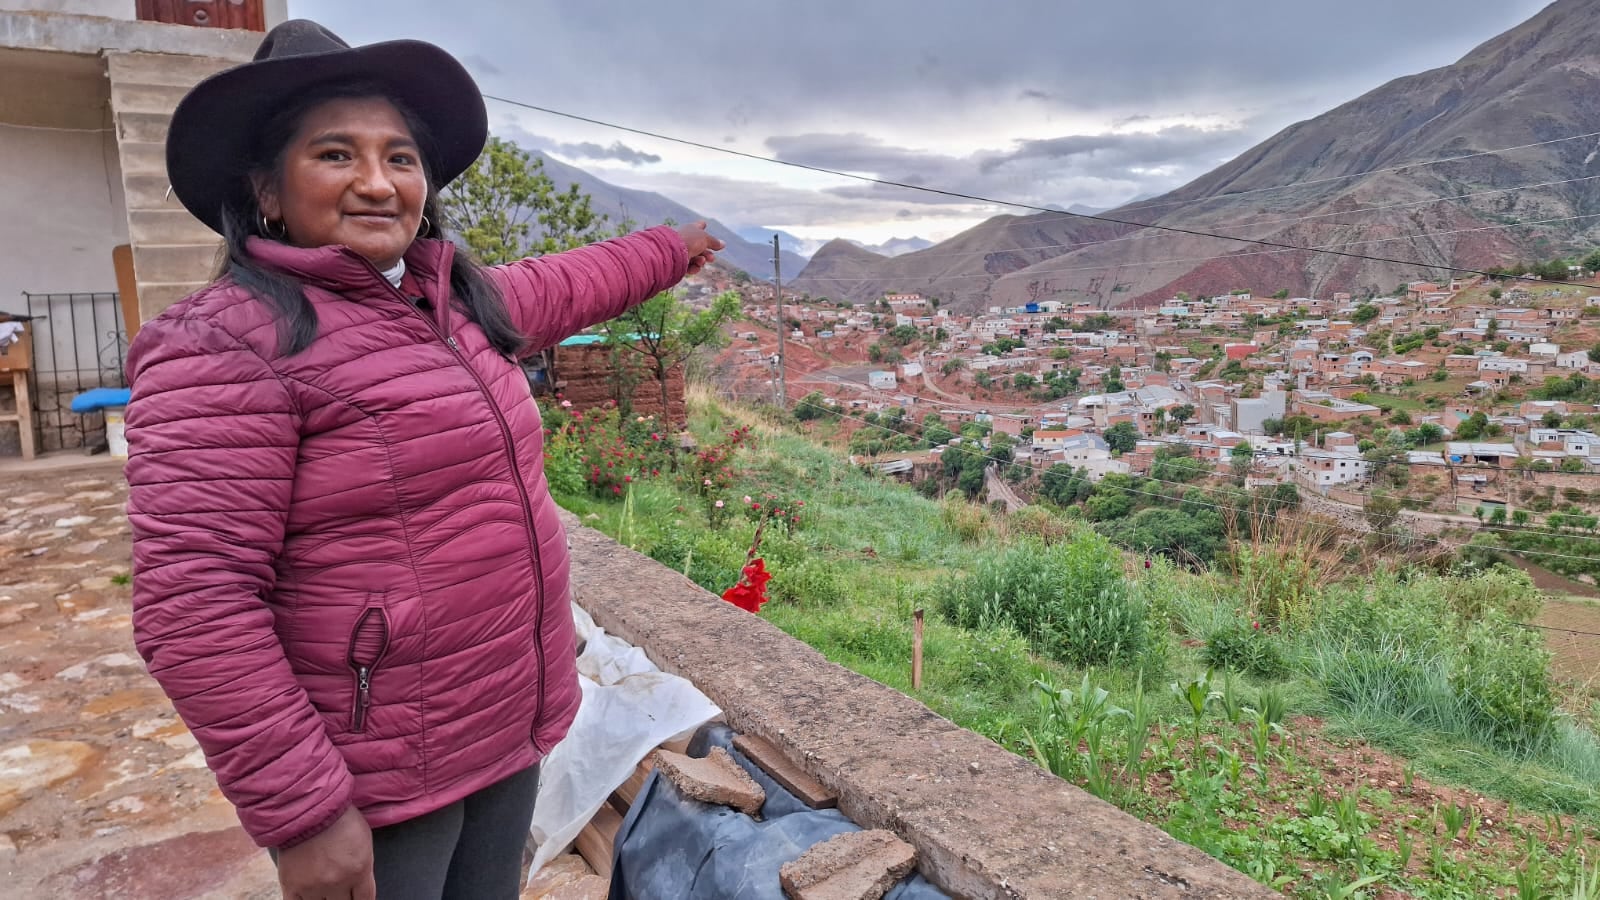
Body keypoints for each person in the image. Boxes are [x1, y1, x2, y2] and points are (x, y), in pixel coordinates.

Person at [124, 20, 723, 900]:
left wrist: (673, 248)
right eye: (336, 154)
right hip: (380, 770)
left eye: (399, 158)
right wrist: (304, 814)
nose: (377, 182)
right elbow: (194, 603)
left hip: (504, 724)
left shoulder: (452, 306)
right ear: (267, 190)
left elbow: (573, 280)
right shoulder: (223, 345)